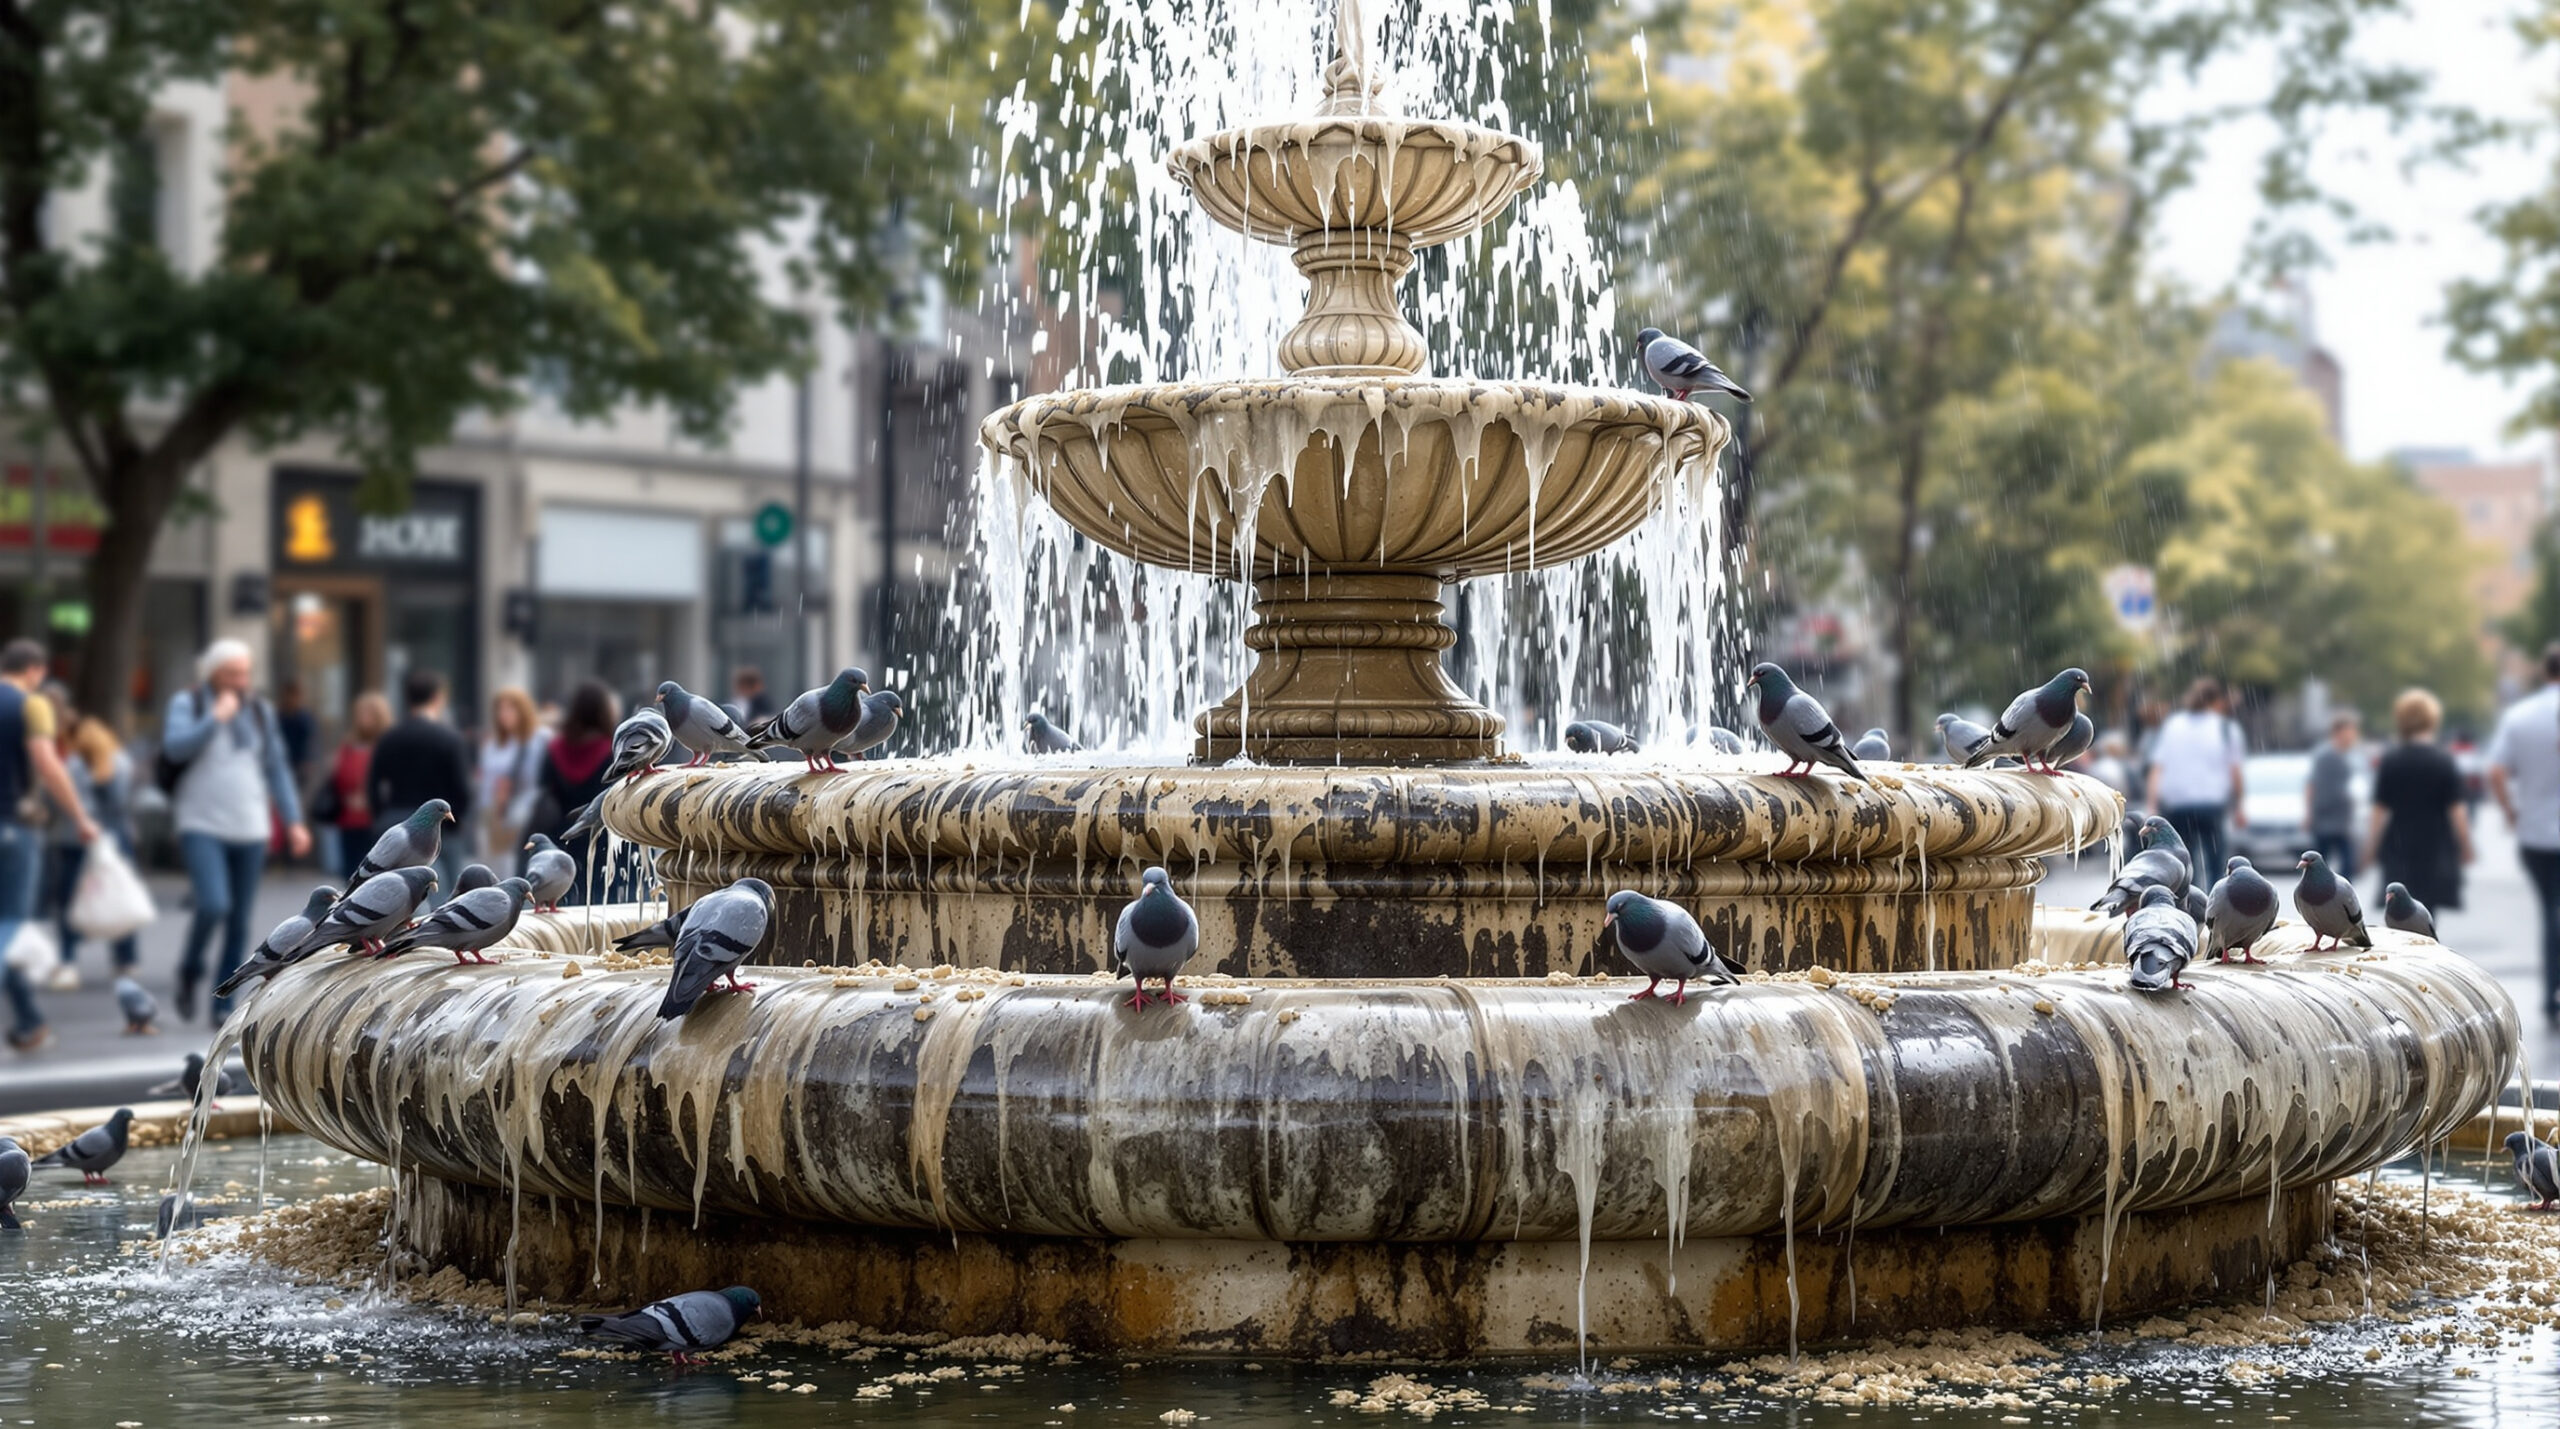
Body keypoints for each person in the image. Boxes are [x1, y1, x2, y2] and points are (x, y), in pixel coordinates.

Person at [162, 638, 309, 1021]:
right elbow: (175, 749)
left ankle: (222, 999)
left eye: (244, 673)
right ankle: (190, 969)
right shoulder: (188, 704)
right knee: (213, 904)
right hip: (201, 823)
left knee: (239, 919)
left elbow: (276, 768)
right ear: (212, 673)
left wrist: (293, 821)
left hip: (250, 826)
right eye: (232, 674)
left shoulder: (259, 710)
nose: (240, 681)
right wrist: (215, 719)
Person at [0, 642, 95, 1051]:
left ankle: (29, 1022)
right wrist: (79, 815)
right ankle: (29, 1022)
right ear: (35, 670)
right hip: (15, 827)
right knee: (13, 924)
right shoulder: (30, 705)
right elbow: (46, 762)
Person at [2489, 642, 2560, 1026]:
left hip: (2537, 832)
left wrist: (2511, 811)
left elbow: (2497, 771)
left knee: (2550, 909)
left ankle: (2551, 993)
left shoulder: (2521, 716)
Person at [368, 669, 475, 899]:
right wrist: (454, 825)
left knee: (388, 895)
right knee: (441, 896)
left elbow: (373, 784)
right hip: (440, 831)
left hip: (395, 820)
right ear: (438, 697)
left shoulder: (390, 737)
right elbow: (463, 791)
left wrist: (381, 816)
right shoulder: (450, 738)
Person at [48, 714, 139, 984]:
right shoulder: (121, 762)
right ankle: (126, 958)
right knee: (119, 894)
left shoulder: (73, 764)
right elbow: (123, 802)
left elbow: (56, 801)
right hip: (114, 838)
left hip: (74, 839)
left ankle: (67, 959)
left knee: (68, 900)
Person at [2369, 688, 2469, 923]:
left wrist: (2370, 848)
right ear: (2432, 719)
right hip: (2435, 845)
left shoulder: (2391, 761)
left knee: (2398, 912)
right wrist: (2465, 846)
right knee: (2427, 915)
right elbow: (2457, 811)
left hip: (2399, 845)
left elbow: (2379, 811)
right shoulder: (2443, 761)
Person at [2146, 677, 2246, 878]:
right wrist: (2239, 807)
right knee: (2217, 864)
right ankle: (2214, 904)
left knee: (2185, 864)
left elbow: (2157, 768)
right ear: (2217, 701)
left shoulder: (2173, 725)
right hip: (2211, 806)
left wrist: (2152, 805)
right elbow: (2235, 772)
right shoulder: (2225, 728)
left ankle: (2190, 904)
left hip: (2178, 806)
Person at [532, 682, 620, 902]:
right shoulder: (613, 751)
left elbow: (544, 785)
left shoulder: (555, 748)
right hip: (604, 838)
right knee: (602, 903)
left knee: (564, 900)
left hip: (562, 835)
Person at [312, 692, 391, 877]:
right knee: (350, 873)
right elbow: (338, 775)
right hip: (348, 818)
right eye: (360, 713)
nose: (363, 718)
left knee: (376, 873)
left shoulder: (387, 744)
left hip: (376, 820)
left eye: (368, 713)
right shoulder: (348, 744)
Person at [478, 687, 548, 869]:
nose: (504, 715)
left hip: (524, 812)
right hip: (494, 814)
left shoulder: (538, 740)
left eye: (510, 708)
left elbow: (536, 779)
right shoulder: (494, 744)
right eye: (500, 709)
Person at [2307, 712, 2362, 880]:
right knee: (2319, 862)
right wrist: (2309, 813)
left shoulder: (2346, 756)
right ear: (2339, 732)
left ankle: (2343, 897)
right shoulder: (2325, 755)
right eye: (2350, 731)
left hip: (2342, 819)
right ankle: (2317, 895)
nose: (2353, 735)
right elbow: (2311, 784)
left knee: (2347, 863)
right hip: (2325, 816)